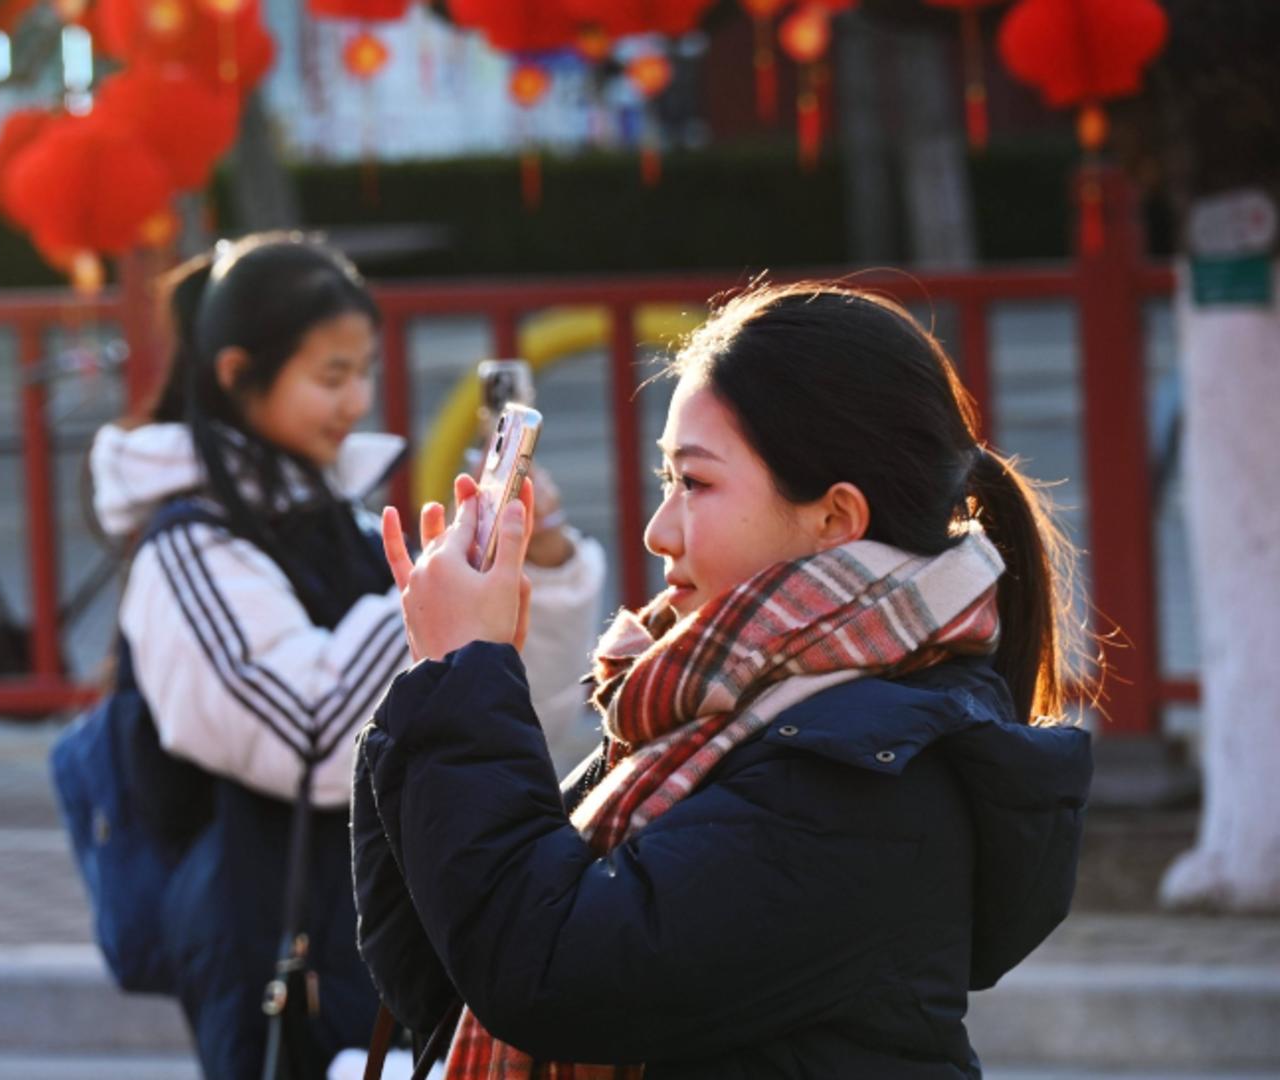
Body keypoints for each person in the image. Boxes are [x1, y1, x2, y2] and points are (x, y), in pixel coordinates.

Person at [353, 283, 1094, 1079]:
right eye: (666, 479)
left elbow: (554, 977)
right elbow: (445, 975)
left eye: (695, 484)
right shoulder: (702, 711)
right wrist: (438, 684)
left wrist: (462, 681)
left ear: (834, 519)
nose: (658, 528)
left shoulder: (873, 771)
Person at [87, 234, 604, 1079]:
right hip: (269, 943)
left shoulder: (347, 529)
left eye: (362, 372)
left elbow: (517, 720)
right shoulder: (185, 549)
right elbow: (311, 741)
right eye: (330, 376)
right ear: (236, 373)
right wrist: (430, 611)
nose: (354, 400)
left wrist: (530, 566)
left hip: (383, 935)